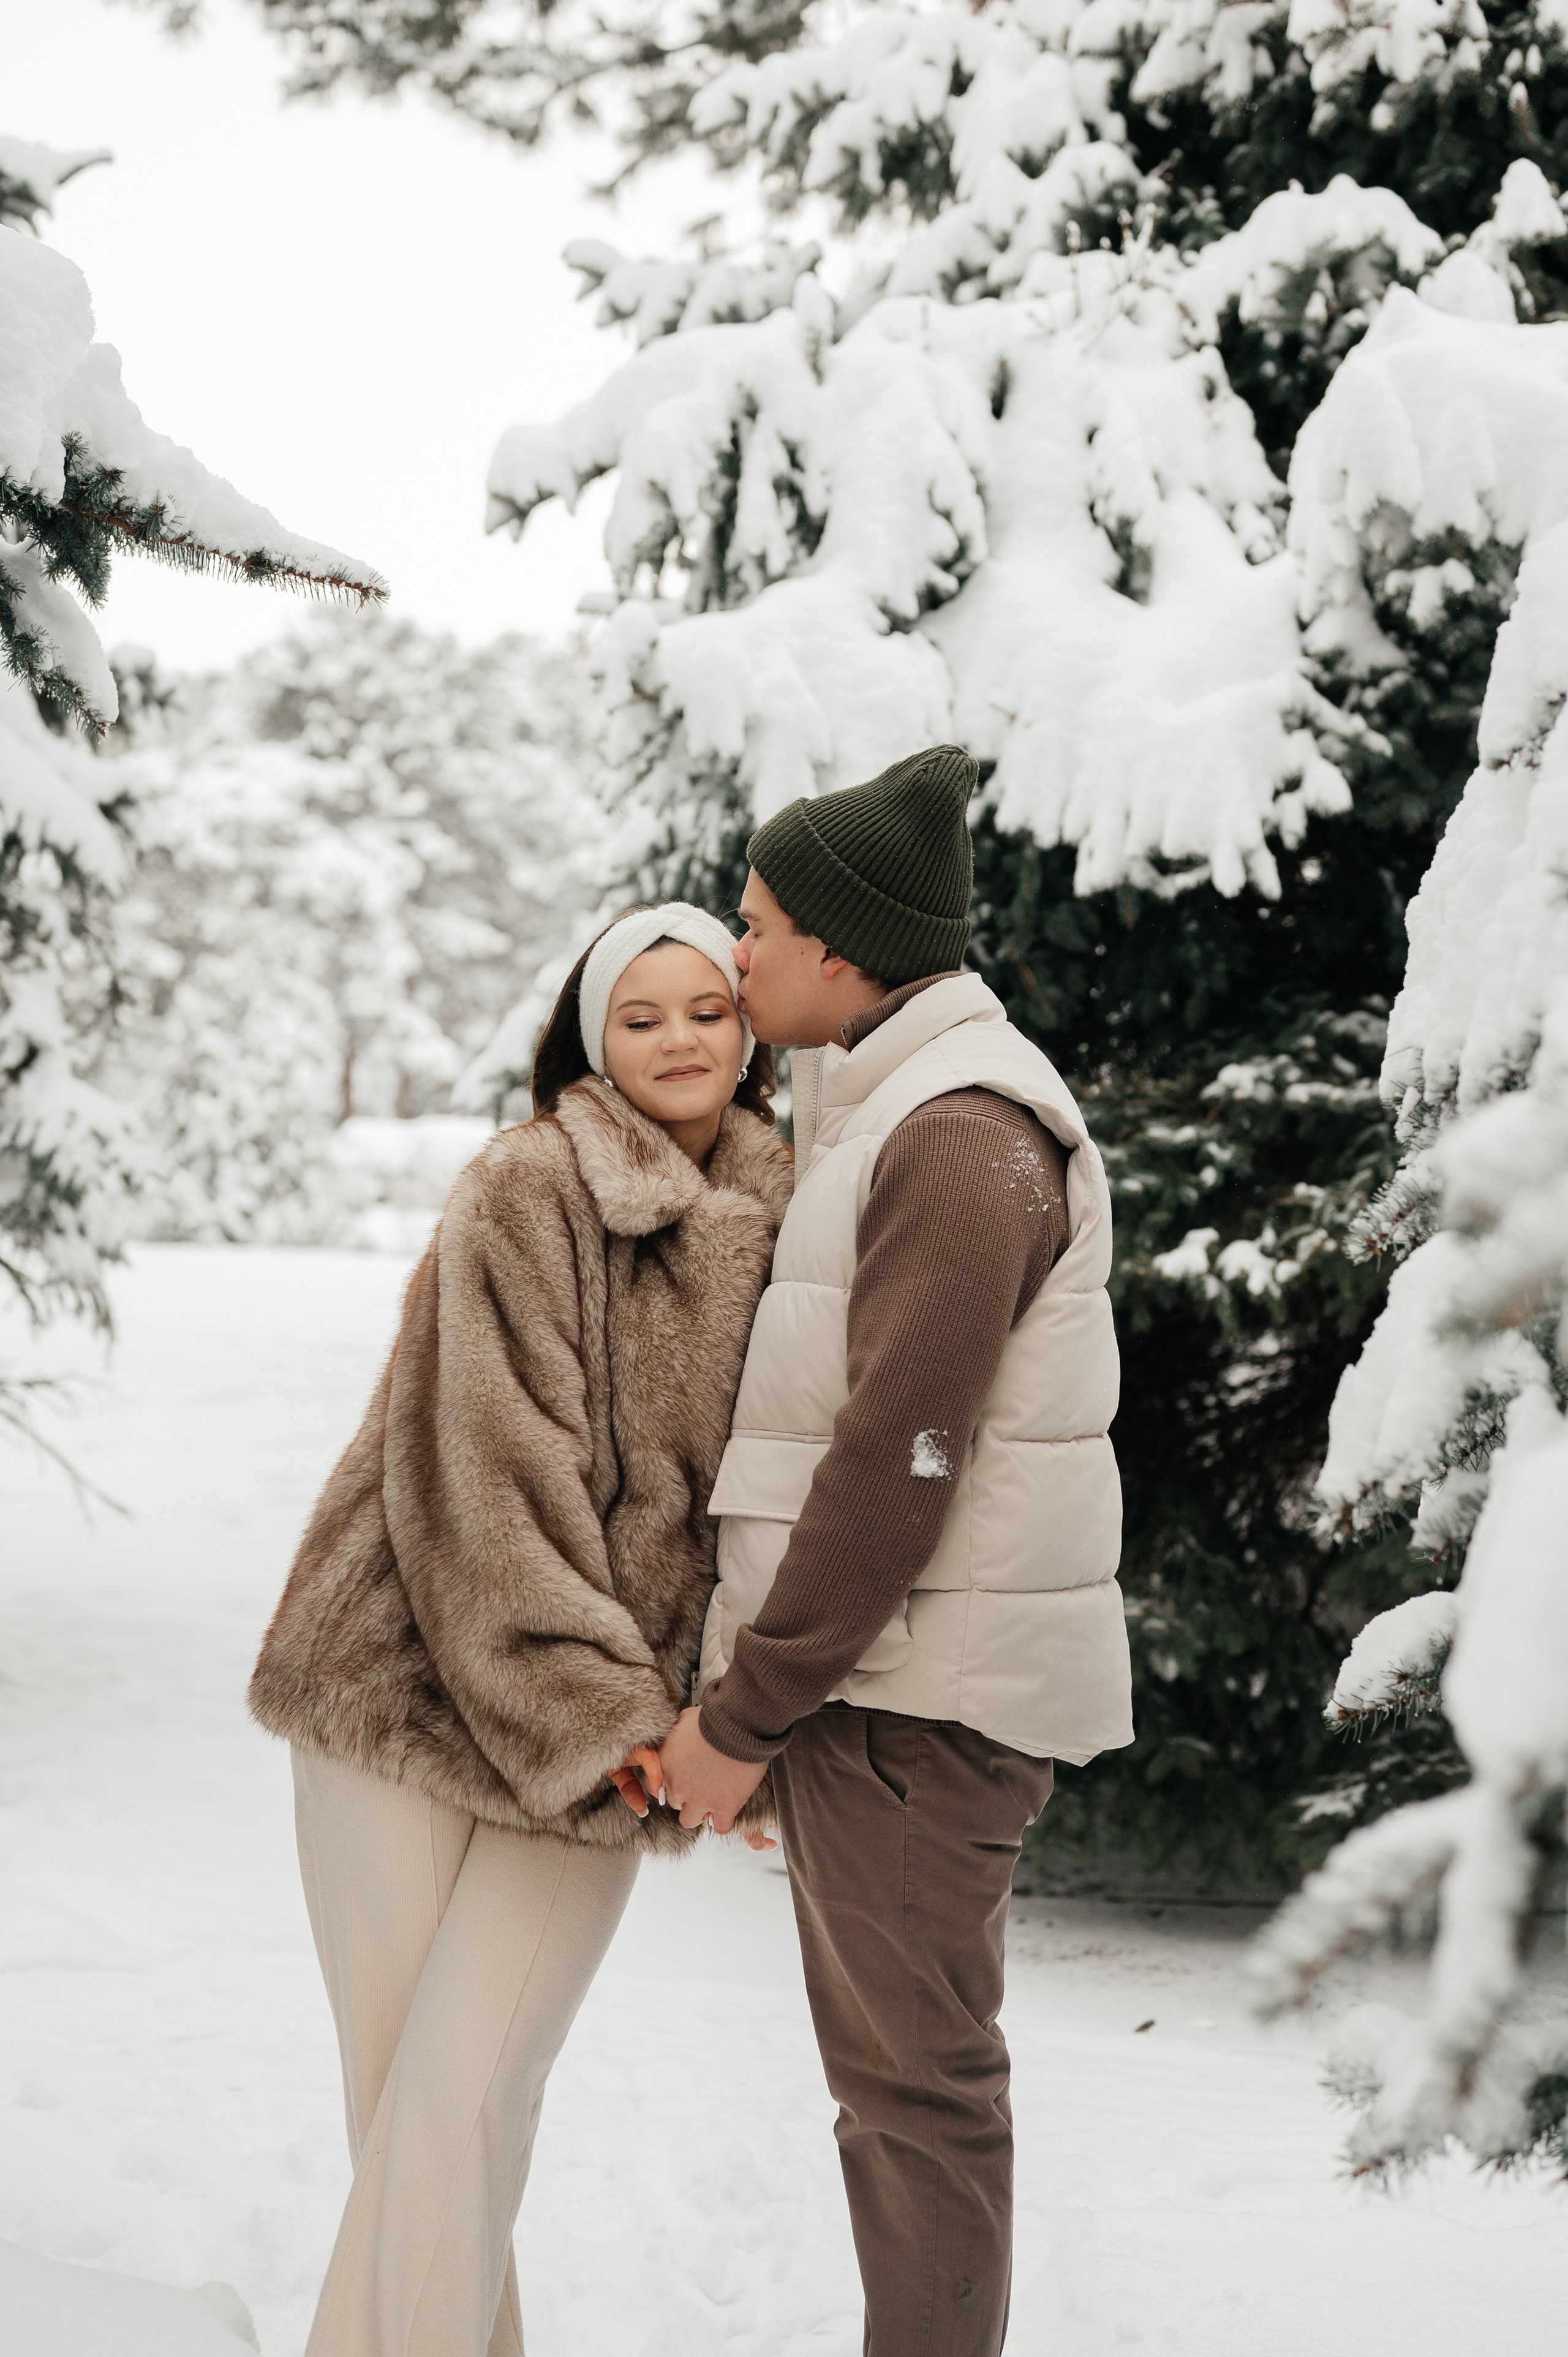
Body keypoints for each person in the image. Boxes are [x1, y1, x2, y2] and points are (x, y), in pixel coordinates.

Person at [248, 903, 792, 2357]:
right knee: (415, 2112)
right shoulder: (526, 1187)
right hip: (399, 1693)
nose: (678, 1039)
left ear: (749, 1033)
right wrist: (606, 1716)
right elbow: (490, 1478)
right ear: (590, 1040)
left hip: (602, 1735)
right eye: (640, 1016)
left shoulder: (795, 1219)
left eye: (706, 1010)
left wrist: (742, 1729)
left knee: (465, 2102)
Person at [657, 745, 1136, 2357]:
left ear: (843, 951)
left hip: (916, 1715)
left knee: (916, 2102)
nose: (737, 953)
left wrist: (745, 1717)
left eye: (758, 925)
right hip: (889, 1700)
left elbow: (898, 1460)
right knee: (897, 2096)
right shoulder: (897, 1114)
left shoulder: (960, 1134)